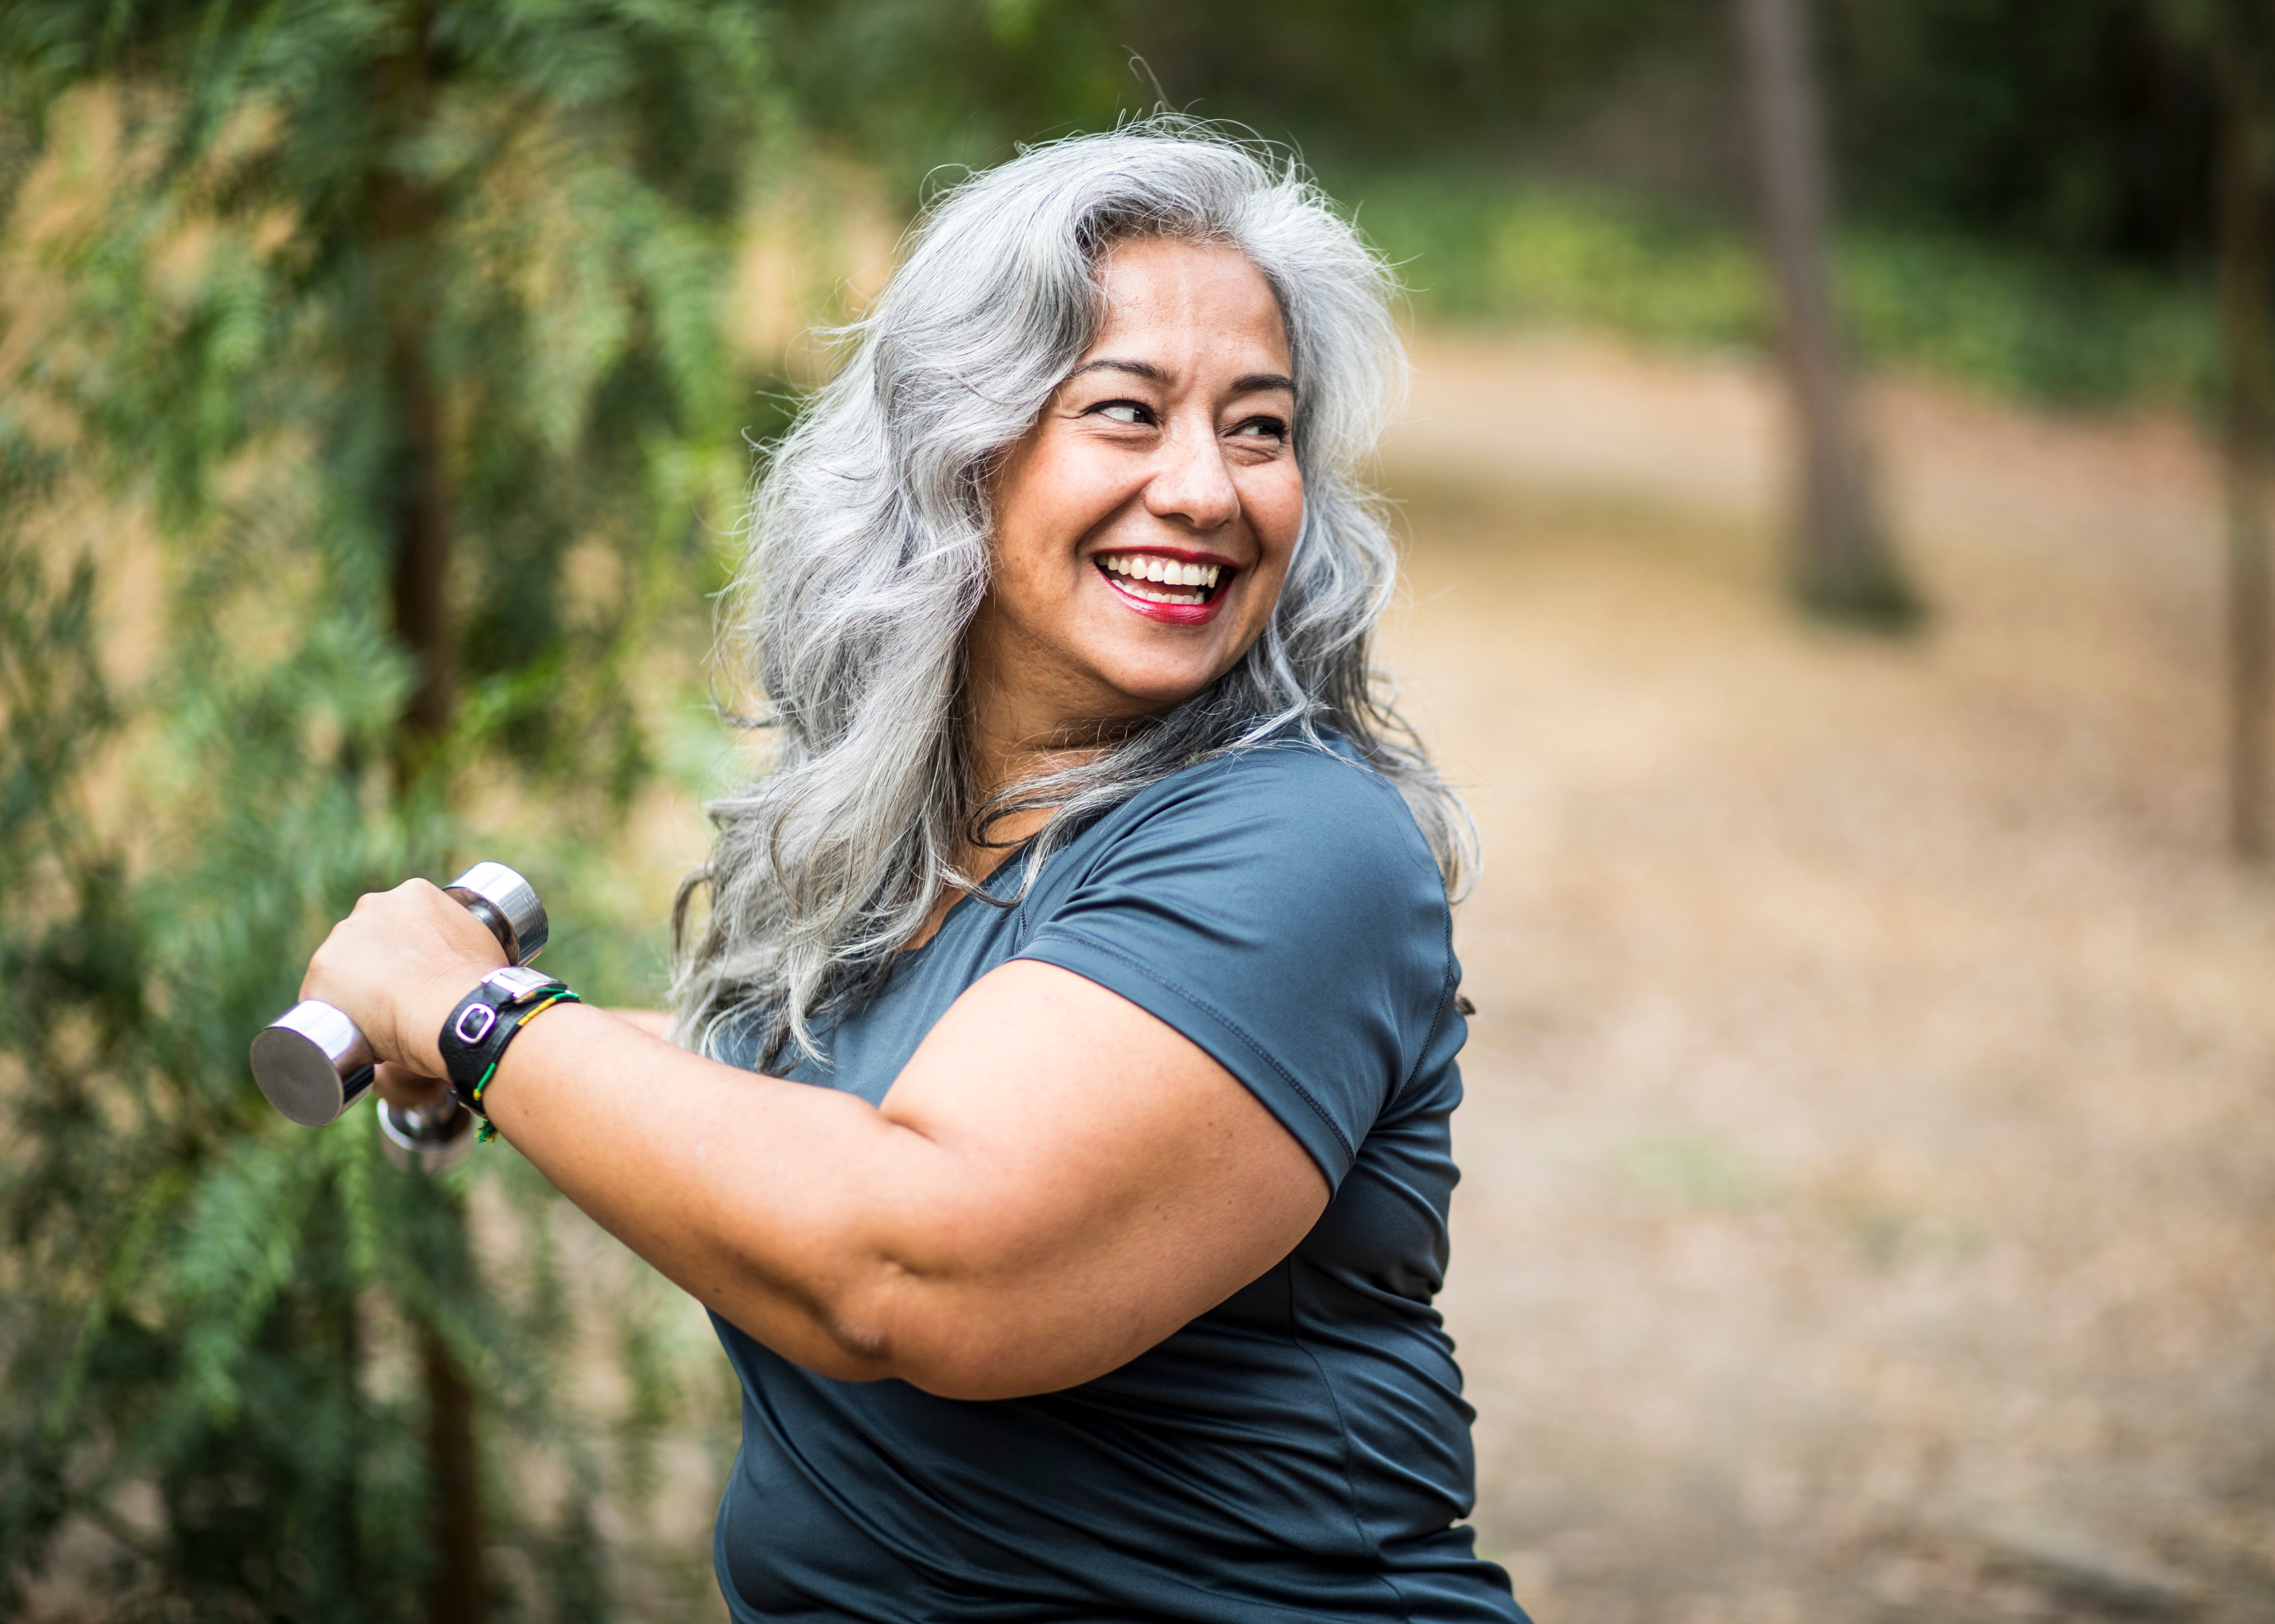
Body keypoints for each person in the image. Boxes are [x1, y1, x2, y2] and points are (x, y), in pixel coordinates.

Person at [304, 121, 1524, 1624]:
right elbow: (819, 1099)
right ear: (961, 450)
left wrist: (483, 1026)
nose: (1208, 488)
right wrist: (469, 1027)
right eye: (1129, 413)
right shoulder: (931, 843)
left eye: (1259, 428)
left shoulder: (1297, 842)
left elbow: (916, 1262)